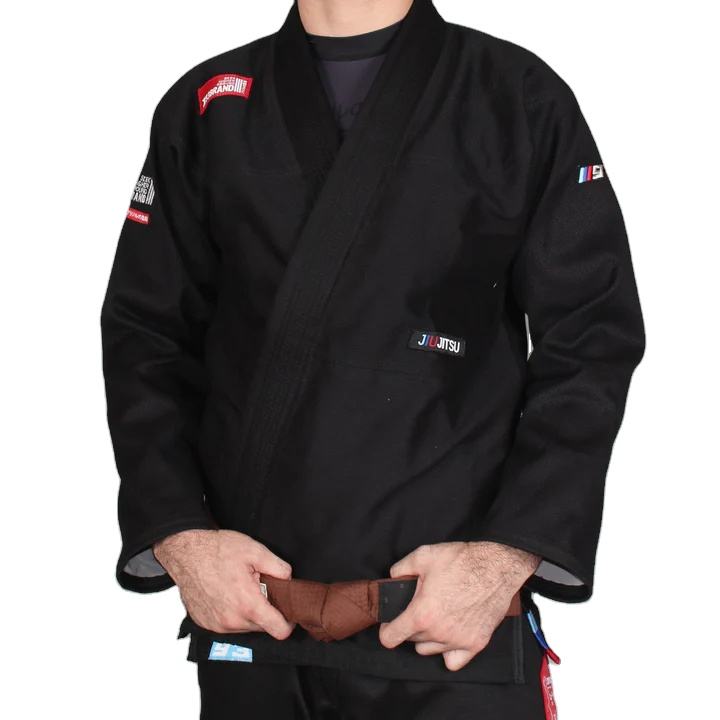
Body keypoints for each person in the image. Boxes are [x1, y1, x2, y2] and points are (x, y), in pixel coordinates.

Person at [100, 0, 645, 716]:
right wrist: (179, 535)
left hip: (454, 637)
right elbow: (145, 335)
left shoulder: (514, 94)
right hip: (257, 632)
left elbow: (592, 337)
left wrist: (506, 557)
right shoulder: (208, 106)